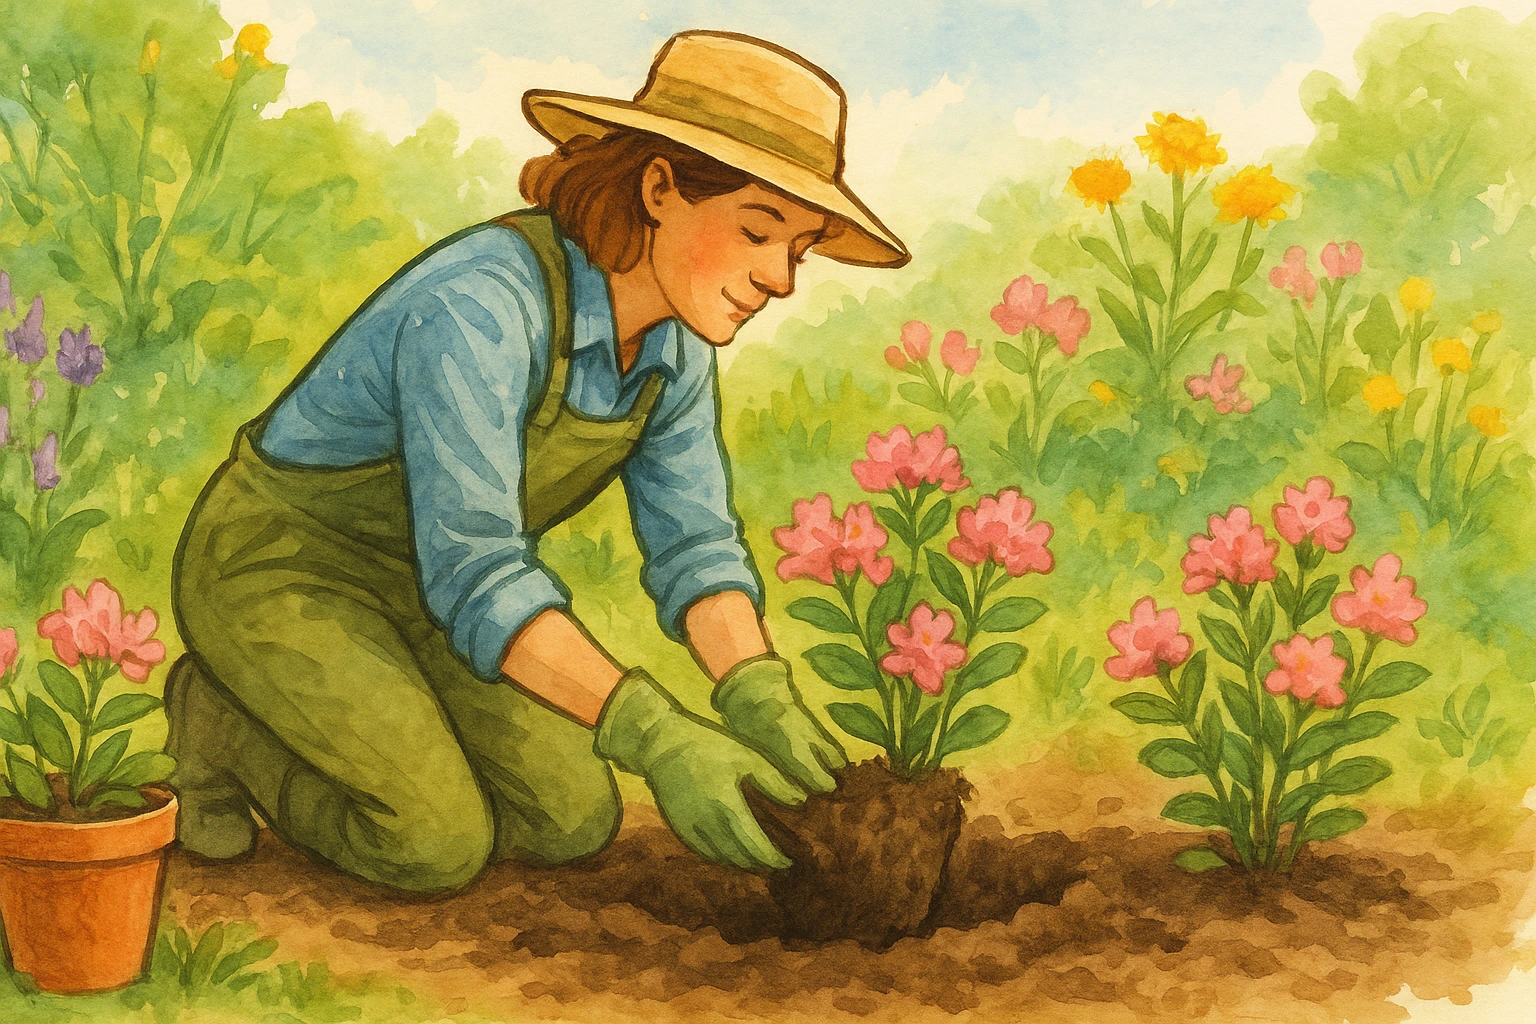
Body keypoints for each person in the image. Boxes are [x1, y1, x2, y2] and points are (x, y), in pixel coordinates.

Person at [165, 29, 909, 893]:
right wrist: (657, 732)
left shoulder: (676, 346)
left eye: (800, 248)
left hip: (421, 594)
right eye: (757, 232)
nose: (780, 278)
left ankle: (364, 717)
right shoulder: (482, 304)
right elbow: (477, 567)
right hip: (275, 568)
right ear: (660, 187)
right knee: (432, 843)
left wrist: (756, 690)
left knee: (570, 818)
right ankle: (223, 720)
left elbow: (694, 545)